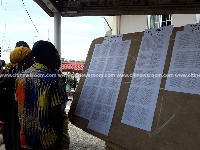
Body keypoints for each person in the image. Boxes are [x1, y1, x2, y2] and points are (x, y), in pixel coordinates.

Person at [15, 40, 70, 150]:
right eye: (55, 54)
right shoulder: (54, 79)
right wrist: (60, 141)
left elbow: (19, 104)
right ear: (48, 56)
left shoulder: (21, 77)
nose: (58, 58)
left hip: (25, 138)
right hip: (48, 141)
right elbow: (57, 115)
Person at [0, 43, 33, 150]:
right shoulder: (15, 72)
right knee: (17, 136)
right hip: (15, 111)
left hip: (14, 112)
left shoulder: (11, 71)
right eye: (29, 56)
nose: (32, 58)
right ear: (22, 59)